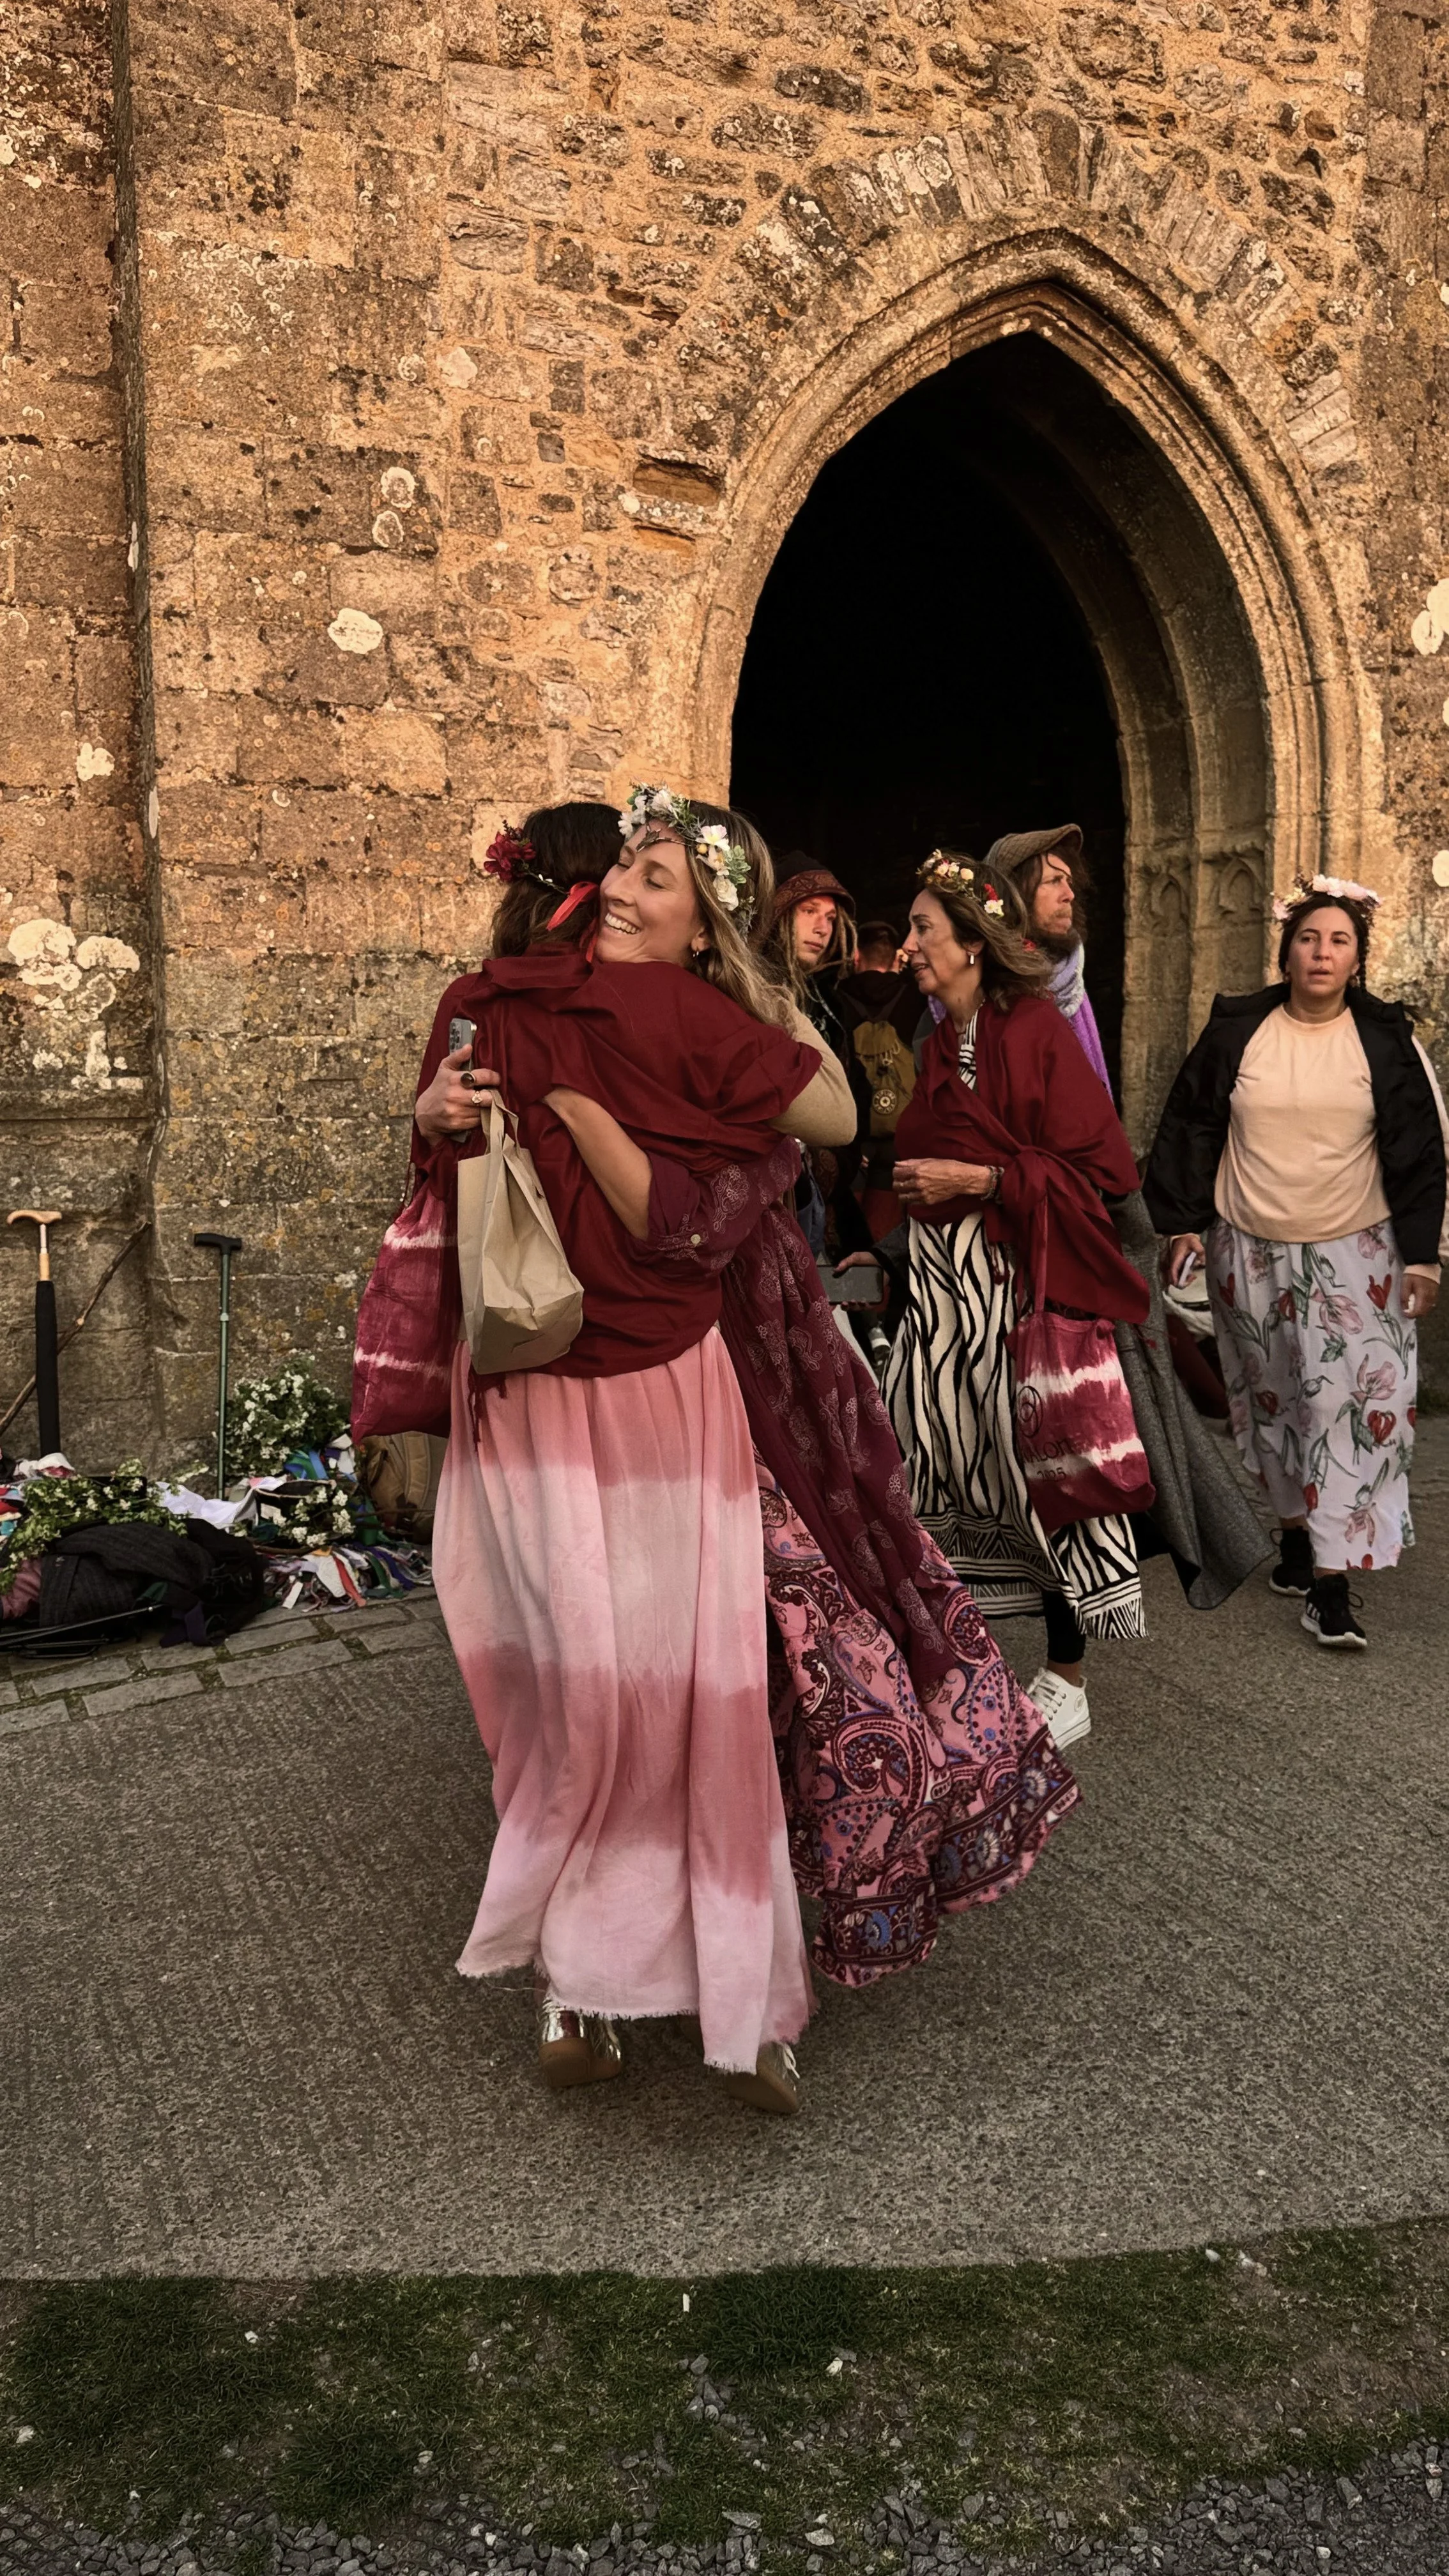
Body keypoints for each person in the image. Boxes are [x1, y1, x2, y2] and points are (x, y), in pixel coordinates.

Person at [407, 790, 855, 2112]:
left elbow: (431, 1195)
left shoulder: (494, 1003)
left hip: (564, 1392)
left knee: (597, 1689)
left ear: (700, 918)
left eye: (660, 876)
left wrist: (472, 1116)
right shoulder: (580, 1010)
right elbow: (829, 1115)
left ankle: (619, 1989)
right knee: (675, 1689)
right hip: (630, 1392)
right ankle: (707, 1992)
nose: (624, 888)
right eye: (627, 868)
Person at [864, 852, 1152, 1750]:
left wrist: (983, 1177)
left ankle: (1068, 1678)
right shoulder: (932, 1035)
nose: (908, 945)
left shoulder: (1032, 1032)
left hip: (1014, 1288)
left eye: (922, 929)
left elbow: (1100, 1171)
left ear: (973, 945)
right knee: (937, 1467)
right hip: (941, 1293)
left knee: (1037, 1473)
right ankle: (959, 1660)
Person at [1144, 875, 1447, 1650]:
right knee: (1271, 1400)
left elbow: (1419, 1154)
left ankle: (1332, 1584)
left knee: (1351, 1406)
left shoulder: (1385, 1040)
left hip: (1357, 1252)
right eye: (1308, 938)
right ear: (1286, 951)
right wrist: (1179, 1226)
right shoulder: (1238, 1031)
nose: (1321, 952)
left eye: (1338, 941)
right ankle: (1295, 1540)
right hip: (1249, 1251)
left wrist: (1425, 1258)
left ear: (1356, 959)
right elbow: (1190, 1125)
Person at [986, 824, 1112, 1091]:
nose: (1070, 895)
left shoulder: (1069, 977)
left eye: (1069, 882)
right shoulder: (976, 987)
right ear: (1015, 892)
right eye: (1054, 881)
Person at [834, 919, 920, 1236]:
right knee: (883, 1239)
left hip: (848, 1142)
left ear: (856, 956)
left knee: (850, 1241)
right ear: (897, 957)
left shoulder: (835, 1000)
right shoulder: (915, 999)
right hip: (899, 1146)